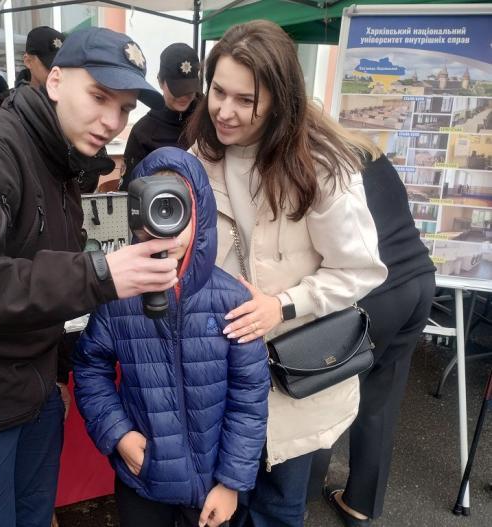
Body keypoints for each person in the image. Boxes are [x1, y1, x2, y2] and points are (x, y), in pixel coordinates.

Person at [0, 27, 176, 527]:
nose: (112, 121)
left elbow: (43, 275)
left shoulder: (58, 159)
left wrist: (57, 373)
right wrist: (100, 272)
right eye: (99, 97)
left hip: (31, 393)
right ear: (56, 81)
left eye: (125, 108)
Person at [184, 20, 387, 526]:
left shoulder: (322, 166)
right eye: (218, 92)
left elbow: (361, 270)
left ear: (280, 101)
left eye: (245, 100)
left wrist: (283, 304)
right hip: (218, 372)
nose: (224, 111)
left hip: (291, 374)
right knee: (212, 506)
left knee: (276, 507)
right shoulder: (199, 156)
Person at [74, 146, 270, 527]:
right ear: (136, 215)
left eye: (178, 209)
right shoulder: (118, 299)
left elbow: (250, 395)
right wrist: (118, 433)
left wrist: (231, 483)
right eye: (156, 208)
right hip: (143, 480)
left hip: (212, 488)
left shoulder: (232, 300)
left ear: (201, 214)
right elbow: (89, 367)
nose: (168, 228)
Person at [314, 152, 436, 526]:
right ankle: (361, 505)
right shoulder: (364, 150)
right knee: (381, 400)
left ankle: (298, 497)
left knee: (321, 397)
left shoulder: (312, 160)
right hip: (419, 281)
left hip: (373, 293)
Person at [119, 43, 200, 191]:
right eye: (177, 89)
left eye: (189, 89)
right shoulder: (143, 132)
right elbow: (128, 191)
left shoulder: (209, 119)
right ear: (160, 81)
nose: (183, 96)